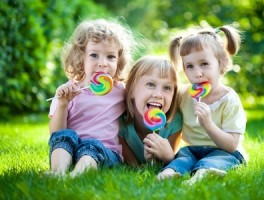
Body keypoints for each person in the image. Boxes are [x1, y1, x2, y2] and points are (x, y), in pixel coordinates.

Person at [157, 24, 248, 185]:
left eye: (204, 64)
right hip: (193, 149)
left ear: (221, 64)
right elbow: (164, 106)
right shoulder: (183, 95)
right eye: (189, 66)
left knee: (217, 160)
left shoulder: (229, 100)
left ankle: (204, 173)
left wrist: (208, 124)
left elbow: (232, 145)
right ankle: (170, 173)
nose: (197, 73)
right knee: (183, 158)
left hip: (225, 151)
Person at [48, 18, 138, 177]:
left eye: (111, 57)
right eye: (94, 55)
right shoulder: (68, 91)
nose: (102, 63)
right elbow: (56, 133)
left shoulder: (121, 92)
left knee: (91, 145)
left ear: (119, 60)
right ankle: (58, 173)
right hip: (70, 152)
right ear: (81, 57)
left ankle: (75, 176)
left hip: (105, 153)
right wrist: (62, 104)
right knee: (65, 136)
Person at [119, 55, 182, 165]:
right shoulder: (120, 123)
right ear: (132, 89)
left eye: (167, 88)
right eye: (150, 84)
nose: (158, 95)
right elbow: (133, 167)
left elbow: (169, 164)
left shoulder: (175, 122)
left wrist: (168, 157)